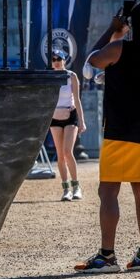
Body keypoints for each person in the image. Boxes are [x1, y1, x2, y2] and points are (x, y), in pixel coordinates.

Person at [74, 0, 140, 273]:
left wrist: (112, 31)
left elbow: (89, 65)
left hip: (120, 128)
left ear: (134, 24)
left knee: (108, 191)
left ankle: (106, 256)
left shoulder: (118, 49)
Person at [49, 48, 87, 201]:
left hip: (70, 115)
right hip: (55, 117)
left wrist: (82, 121)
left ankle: (76, 186)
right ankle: (66, 189)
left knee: (67, 152)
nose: (56, 62)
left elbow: (77, 100)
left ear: (64, 60)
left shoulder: (72, 76)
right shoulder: (49, 77)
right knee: (60, 155)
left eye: (59, 59)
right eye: (53, 59)